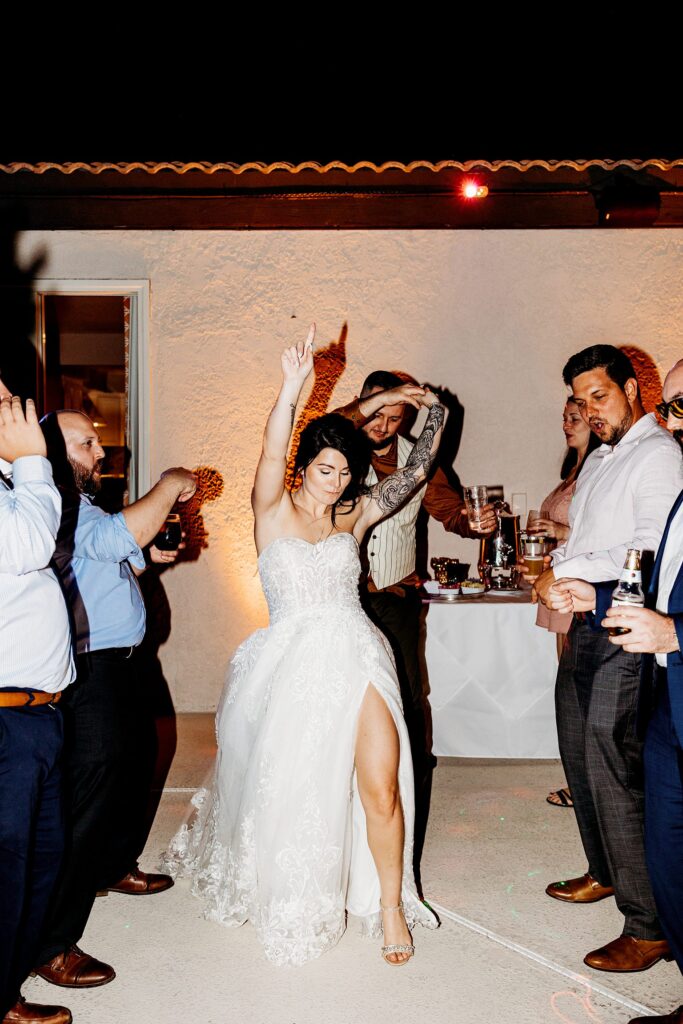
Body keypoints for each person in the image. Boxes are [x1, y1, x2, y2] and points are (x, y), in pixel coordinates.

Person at [162, 326, 443, 966]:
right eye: (325, 468)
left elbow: (419, 469)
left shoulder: (356, 515)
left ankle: (392, 905)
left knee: (383, 786)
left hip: (359, 654)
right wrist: (294, 388)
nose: (336, 481)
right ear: (303, 467)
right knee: (292, 791)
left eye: (345, 471)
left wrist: (433, 410)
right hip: (290, 666)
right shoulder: (273, 511)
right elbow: (270, 450)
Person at [532, 344, 683, 973]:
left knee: (612, 760)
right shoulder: (600, 458)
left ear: (631, 386)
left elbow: (651, 551)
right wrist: (555, 566)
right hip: (587, 615)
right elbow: (593, 538)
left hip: (626, 621)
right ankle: (604, 869)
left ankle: (648, 924)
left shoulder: (660, 454)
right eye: (581, 398)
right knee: (578, 749)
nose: (591, 409)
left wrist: (575, 576)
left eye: (601, 395)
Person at [32, 411, 196, 990]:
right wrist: (173, 480)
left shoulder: (87, 502)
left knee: (137, 762)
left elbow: (120, 555)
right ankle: (50, 943)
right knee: (88, 799)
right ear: (52, 450)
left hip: (123, 660)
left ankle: (112, 865)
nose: (101, 452)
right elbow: (113, 539)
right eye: (87, 443)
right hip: (89, 666)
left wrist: (152, 558)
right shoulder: (51, 498)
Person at [335, 370, 497, 887]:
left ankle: (410, 782)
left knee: (406, 693)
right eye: (377, 412)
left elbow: (448, 509)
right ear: (363, 404)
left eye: (395, 416)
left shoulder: (419, 457)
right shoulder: (334, 445)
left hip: (398, 594)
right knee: (343, 693)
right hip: (342, 594)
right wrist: (375, 404)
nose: (383, 424)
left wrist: (476, 523)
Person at [0, 385, 74, 1024]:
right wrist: (32, 460)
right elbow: (25, 547)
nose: (14, 403)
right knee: (8, 864)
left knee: (40, 857)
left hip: (37, 710)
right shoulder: (18, 478)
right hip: (5, 716)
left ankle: (9, 978)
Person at [533, 397, 600, 809]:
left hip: (577, 586)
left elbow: (598, 532)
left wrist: (558, 530)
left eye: (574, 417)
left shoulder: (599, 468)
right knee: (571, 689)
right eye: (564, 417)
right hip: (559, 582)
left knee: (582, 690)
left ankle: (590, 784)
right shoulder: (574, 471)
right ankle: (582, 779)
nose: (566, 423)